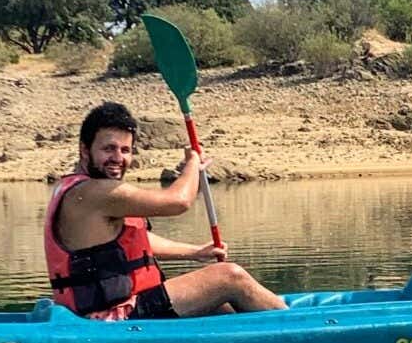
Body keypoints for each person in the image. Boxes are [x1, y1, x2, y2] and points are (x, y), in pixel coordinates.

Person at [45, 102, 286, 319]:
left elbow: (132, 239)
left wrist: (195, 252)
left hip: (123, 306)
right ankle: (298, 326)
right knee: (230, 277)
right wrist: (193, 164)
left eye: (125, 150)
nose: (118, 157)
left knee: (223, 307)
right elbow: (178, 202)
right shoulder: (92, 193)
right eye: (109, 149)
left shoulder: (79, 189)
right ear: (84, 150)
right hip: (112, 318)